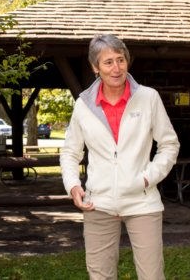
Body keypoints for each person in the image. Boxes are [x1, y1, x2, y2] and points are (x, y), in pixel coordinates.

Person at [60, 34, 180, 280]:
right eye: (108, 62)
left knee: (152, 275)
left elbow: (169, 144)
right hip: (98, 204)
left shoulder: (148, 98)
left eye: (121, 60)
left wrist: (148, 178)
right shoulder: (84, 105)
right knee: (100, 276)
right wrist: (72, 185)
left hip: (142, 202)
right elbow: (70, 152)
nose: (116, 68)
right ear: (95, 67)